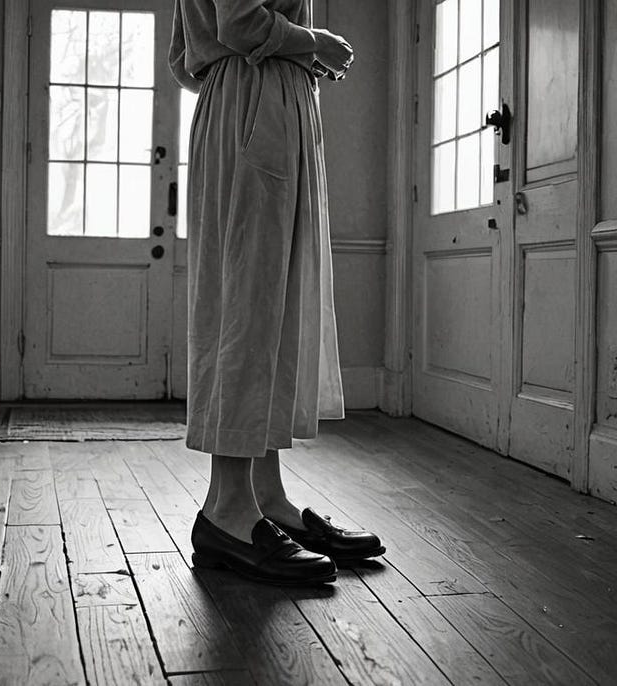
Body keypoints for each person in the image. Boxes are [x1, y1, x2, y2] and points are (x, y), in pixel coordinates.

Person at [170, 0, 384, 585]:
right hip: (256, 105)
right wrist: (312, 44)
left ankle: (264, 497)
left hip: (254, 101)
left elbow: (184, 61)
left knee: (269, 306)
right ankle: (228, 509)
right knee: (247, 306)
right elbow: (240, 24)